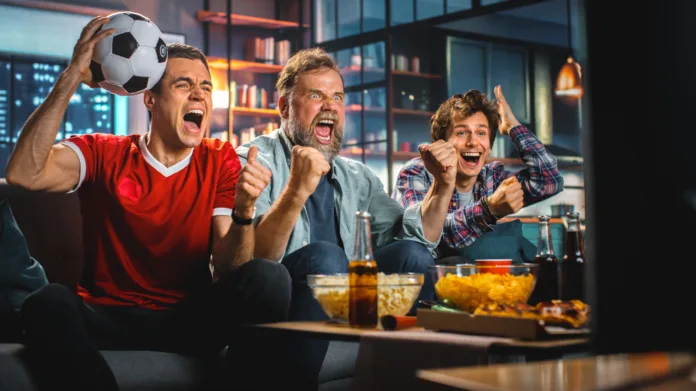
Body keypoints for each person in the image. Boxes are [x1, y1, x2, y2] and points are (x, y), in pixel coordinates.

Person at [4, 16, 290, 391]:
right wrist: (72, 76)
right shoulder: (104, 152)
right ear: (150, 98)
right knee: (46, 303)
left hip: (185, 322)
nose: (199, 95)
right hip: (106, 317)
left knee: (270, 278)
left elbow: (228, 268)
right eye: (184, 84)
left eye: (206, 87)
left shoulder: (220, 158)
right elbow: (24, 174)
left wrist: (244, 211)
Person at [235, 47, 441, 388]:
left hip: (348, 299)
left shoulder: (356, 175)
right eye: (316, 95)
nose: (330, 106)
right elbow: (258, 261)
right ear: (285, 107)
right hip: (286, 302)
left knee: (414, 257)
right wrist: (297, 188)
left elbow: (415, 240)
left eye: (337, 97)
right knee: (326, 255)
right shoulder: (255, 159)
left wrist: (443, 185)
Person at [392, 87, 564, 263]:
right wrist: (488, 210)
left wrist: (513, 127)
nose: (473, 142)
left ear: (489, 145)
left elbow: (548, 180)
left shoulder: (492, 178)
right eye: (461, 132)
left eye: (481, 133)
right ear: (441, 144)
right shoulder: (416, 173)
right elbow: (426, 237)